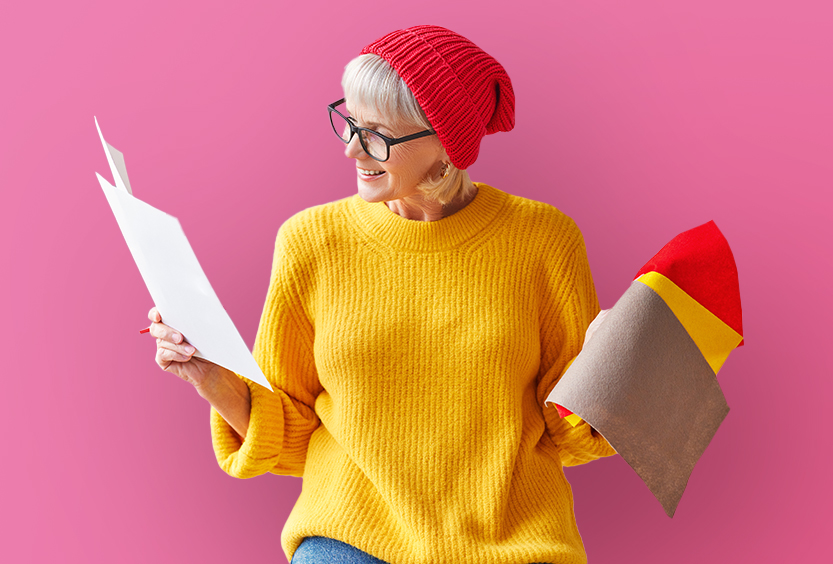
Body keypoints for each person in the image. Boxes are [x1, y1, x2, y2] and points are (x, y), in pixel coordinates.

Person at [148, 25, 616, 564]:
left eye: (376, 135)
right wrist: (208, 375)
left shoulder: (545, 239)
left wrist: (611, 369)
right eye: (349, 121)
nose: (351, 149)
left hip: (513, 539)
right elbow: (293, 429)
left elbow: (572, 437)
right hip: (349, 535)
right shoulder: (310, 241)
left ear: (446, 145)